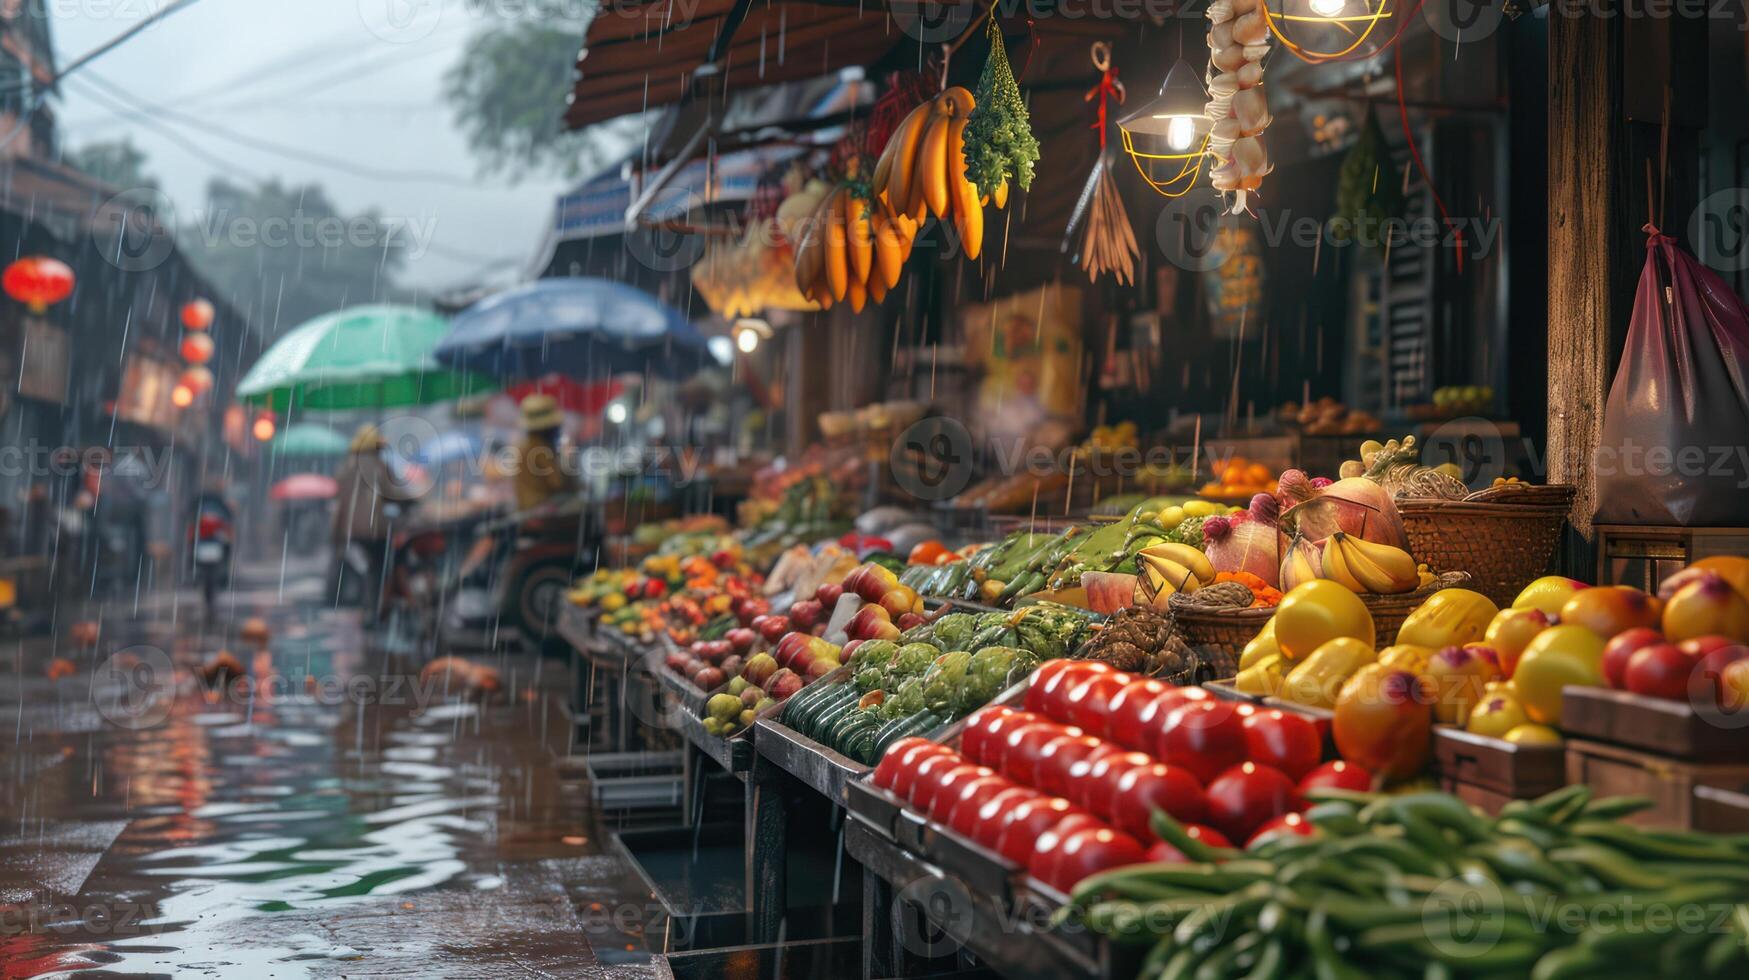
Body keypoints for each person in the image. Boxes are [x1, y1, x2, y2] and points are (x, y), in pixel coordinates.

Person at [333, 424, 417, 621]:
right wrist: (412, 501)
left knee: (369, 568)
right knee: (383, 567)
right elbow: (395, 493)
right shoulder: (379, 467)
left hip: (351, 532)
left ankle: (370, 609)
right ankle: (379, 609)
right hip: (375, 530)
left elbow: (340, 501)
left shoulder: (344, 468)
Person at [511, 394, 576, 512]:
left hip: (528, 507)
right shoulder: (540, 448)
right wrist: (568, 460)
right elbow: (557, 483)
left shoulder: (526, 446)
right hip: (541, 509)